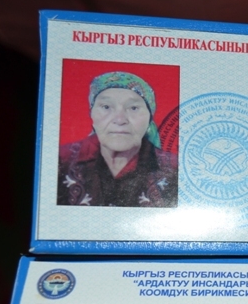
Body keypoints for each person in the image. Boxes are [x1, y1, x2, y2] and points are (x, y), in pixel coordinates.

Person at [57, 71, 178, 207]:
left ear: (150, 117)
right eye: (106, 107)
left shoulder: (176, 169)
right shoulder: (60, 161)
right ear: (91, 113)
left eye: (133, 108)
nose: (120, 120)